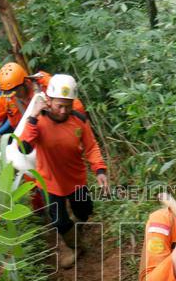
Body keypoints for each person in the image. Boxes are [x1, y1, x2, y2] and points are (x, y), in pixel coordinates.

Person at [19, 74, 109, 269]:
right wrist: (32, 117)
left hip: (75, 178)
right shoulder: (37, 120)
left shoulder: (78, 120)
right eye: (59, 105)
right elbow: (24, 148)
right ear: (48, 100)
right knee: (59, 221)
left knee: (85, 211)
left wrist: (100, 170)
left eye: (68, 106)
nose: (63, 110)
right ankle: (73, 245)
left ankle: (75, 229)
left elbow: (91, 147)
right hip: (49, 182)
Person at [0, 63, 85, 152]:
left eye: (16, 91)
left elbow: (72, 102)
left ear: (24, 82)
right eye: (11, 92)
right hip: (28, 137)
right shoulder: (6, 99)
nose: (15, 95)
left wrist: (78, 127)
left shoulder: (44, 84)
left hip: (52, 134)